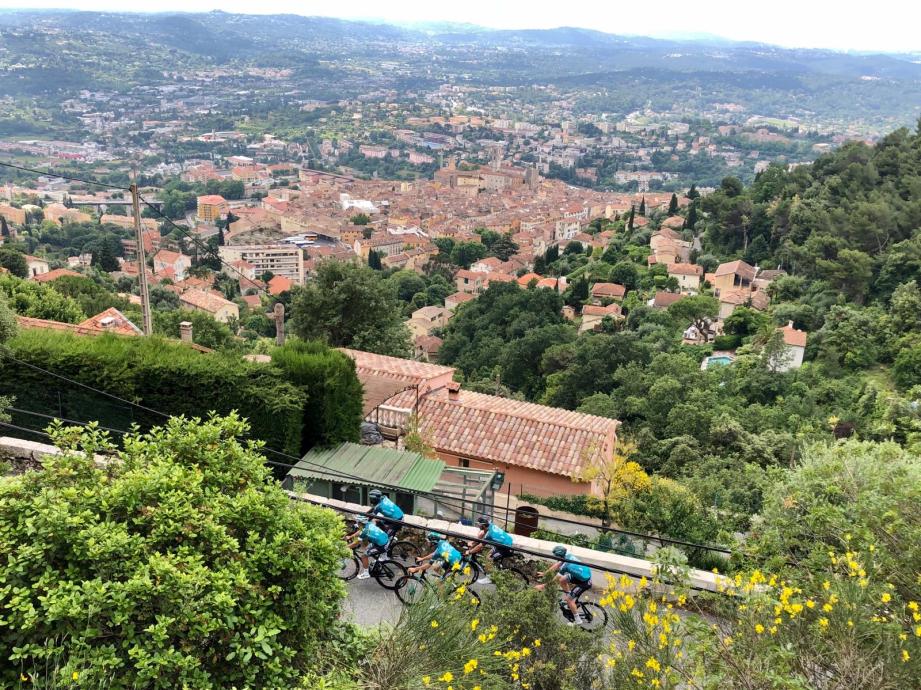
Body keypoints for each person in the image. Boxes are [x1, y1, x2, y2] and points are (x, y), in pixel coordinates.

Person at [534, 545, 593, 625]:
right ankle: (569, 596)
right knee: (562, 580)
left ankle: (578, 620)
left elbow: (555, 580)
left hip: (584, 582)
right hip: (581, 575)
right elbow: (557, 565)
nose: (555, 558)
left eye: (556, 556)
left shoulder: (565, 566)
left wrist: (543, 586)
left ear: (559, 556)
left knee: (569, 600)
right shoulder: (567, 555)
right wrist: (545, 573)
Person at [465, 516, 514, 585]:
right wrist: (472, 543)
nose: (478, 526)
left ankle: (489, 578)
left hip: (506, 548)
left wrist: (470, 551)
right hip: (503, 544)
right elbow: (482, 534)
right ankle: (496, 571)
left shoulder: (489, 535)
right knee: (489, 554)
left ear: (483, 525)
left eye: (479, 524)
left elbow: (480, 546)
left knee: (488, 559)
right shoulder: (490, 526)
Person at [345, 516, 391, 580]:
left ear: (360, 523)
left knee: (364, 556)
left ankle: (366, 574)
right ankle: (383, 559)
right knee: (368, 548)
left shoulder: (365, 531)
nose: (357, 524)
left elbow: (356, 543)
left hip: (381, 545)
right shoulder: (369, 524)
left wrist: (345, 547)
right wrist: (350, 536)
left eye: (357, 522)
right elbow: (360, 531)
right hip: (385, 540)